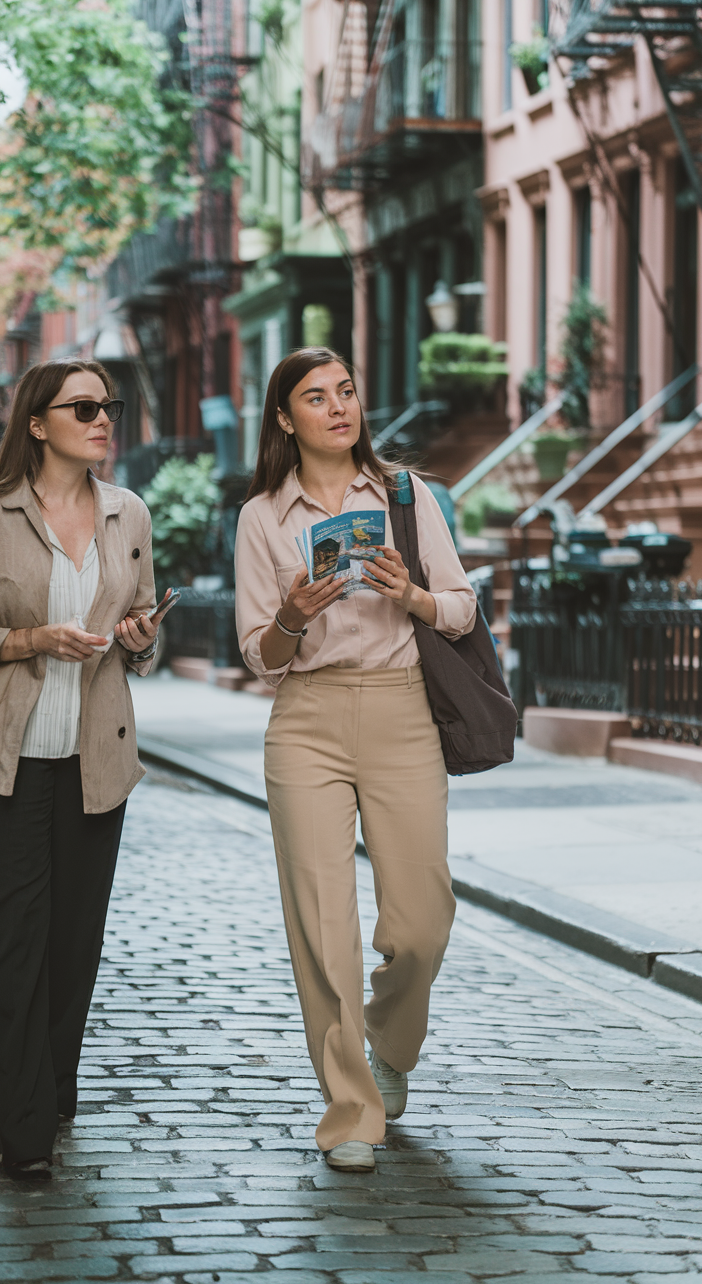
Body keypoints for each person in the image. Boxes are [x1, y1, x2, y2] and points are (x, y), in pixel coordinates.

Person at [235, 346, 477, 1172]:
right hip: (306, 722)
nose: (338, 407)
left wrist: (408, 593)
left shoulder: (406, 494)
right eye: (315, 396)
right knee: (322, 928)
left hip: (403, 713)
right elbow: (260, 658)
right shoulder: (263, 516)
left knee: (421, 923)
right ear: (284, 418)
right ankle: (350, 1114)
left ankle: (390, 1039)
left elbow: (460, 607)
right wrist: (296, 614)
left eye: (347, 391)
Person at [0, 359, 170, 1182]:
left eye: (110, 405)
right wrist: (35, 640)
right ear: (37, 423)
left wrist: (140, 639)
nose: (104, 417)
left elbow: (140, 626)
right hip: (13, 762)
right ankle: (22, 1125)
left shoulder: (127, 511)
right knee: (18, 941)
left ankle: (47, 1084)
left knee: (75, 945)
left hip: (96, 761)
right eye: (84, 406)